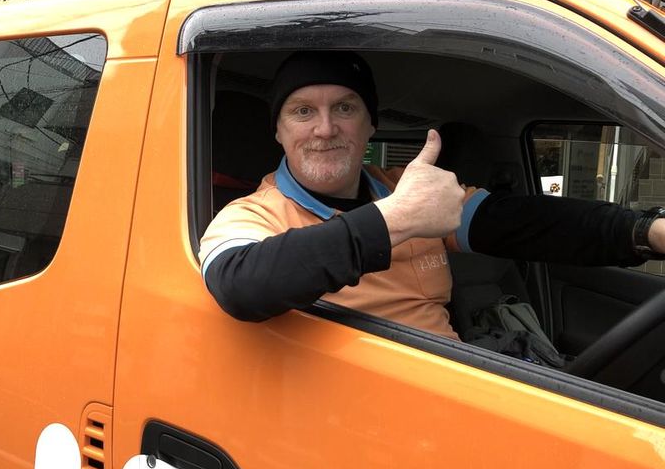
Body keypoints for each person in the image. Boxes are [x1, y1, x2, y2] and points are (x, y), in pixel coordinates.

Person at [198, 51, 665, 340]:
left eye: (344, 108)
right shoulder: (254, 213)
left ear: (370, 125)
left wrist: (646, 231)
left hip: (453, 386)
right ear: (278, 132)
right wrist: (396, 219)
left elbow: (526, 223)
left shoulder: (407, 185)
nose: (325, 129)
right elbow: (239, 285)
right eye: (302, 112)